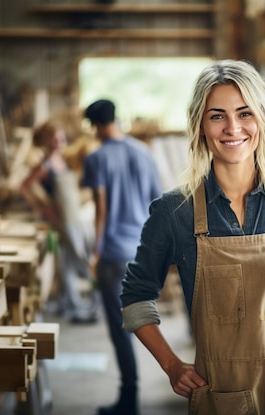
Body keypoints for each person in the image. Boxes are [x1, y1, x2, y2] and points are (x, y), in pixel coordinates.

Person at [120, 59, 265, 414]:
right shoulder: (174, 212)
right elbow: (135, 297)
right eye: (217, 116)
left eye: (244, 113)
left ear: (262, 119)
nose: (232, 128)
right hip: (224, 394)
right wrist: (171, 365)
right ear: (200, 125)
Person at [81, 99, 163, 415]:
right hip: (140, 252)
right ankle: (134, 392)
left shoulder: (97, 157)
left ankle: (129, 397)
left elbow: (101, 208)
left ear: (96, 125)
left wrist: (96, 251)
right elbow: (158, 204)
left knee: (120, 328)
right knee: (143, 321)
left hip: (113, 253)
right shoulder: (144, 153)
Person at [20, 120, 98, 323]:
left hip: (74, 218)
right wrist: (43, 208)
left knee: (68, 263)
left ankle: (71, 304)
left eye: (61, 138)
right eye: (54, 139)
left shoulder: (62, 161)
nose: (58, 142)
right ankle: (90, 301)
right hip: (63, 220)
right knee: (80, 260)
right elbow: (24, 186)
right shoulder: (45, 165)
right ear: (46, 141)